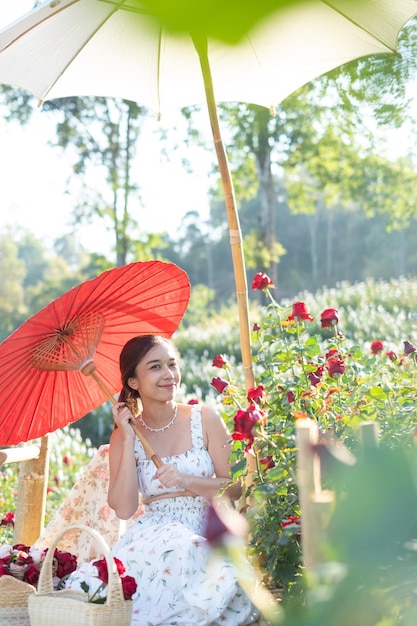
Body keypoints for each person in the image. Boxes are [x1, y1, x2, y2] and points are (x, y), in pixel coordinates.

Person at [68, 334, 259, 626]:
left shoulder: (205, 419)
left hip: (205, 528)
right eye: (155, 367)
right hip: (152, 536)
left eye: (172, 364)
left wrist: (185, 479)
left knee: (197, 564)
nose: (169, 375)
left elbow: (234, 487)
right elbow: (124, 508)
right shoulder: (125, 435)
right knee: (110, 590)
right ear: (133, 382)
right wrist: (129, 438)